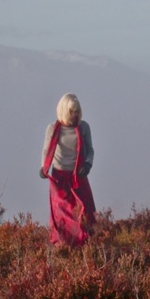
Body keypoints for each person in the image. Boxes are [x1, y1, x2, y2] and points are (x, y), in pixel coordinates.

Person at [40, 93, 96, 247]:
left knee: (85, 213)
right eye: (72, 111)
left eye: (77, 111)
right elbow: (46, 150)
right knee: (63, 215)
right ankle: (64, 247)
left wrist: (88, 164)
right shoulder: (52, 129)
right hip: (59, 179)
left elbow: (90, 150)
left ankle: (85, 246)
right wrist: (43, 167)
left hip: (79, 176)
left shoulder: (84, 127)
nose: (76, 115)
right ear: (64, 111)